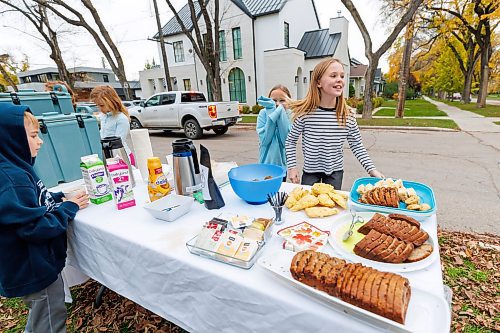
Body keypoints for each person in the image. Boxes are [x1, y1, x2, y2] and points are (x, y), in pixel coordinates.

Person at [0, 103, 89, 333]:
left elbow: (34, 201)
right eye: (32, 135)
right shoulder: (12, 179)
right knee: (49, 320)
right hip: (33, 268)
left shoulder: (15, 168)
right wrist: (69, 207)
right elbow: (35, 227)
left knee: (44, 316)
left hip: (32, 265)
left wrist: (59, 197)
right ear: (10, 139)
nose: (40, 141)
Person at [285, 58, 384, 189]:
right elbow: (290, 141)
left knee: (332, 207)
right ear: (318, 82)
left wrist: (372, 170)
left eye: (342, 76)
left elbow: (357, 145)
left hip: (335, 174)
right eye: (333, 75)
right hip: (310, 172)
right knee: (308, 206)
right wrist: (292, 167)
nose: (340, 79)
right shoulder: (305, 114)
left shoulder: (347, 116)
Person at [90, 85, 135, 166]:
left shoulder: (121, 119)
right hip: (109, 157)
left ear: (111, 102)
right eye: (97, 105)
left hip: (122, 158)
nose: (100, 108)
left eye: (102, 105)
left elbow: (118, 143)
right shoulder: (103, 116)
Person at [256, 85, 292, 173]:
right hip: (265, 164)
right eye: (274, 100)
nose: (277, 104)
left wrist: (280, 113)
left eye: (282, 100)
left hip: (282, 166)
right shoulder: (263, 113)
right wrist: (272, 113)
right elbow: (265, 139)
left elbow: (285, 140)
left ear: (288, 101)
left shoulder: (290, 114)